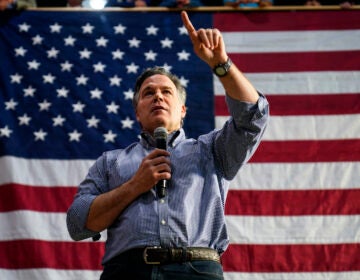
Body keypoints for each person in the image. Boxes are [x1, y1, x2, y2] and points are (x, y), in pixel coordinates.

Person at [66, 10, 269, 280]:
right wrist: (135, 185)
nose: (157, 97)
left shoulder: (212, 150)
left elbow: (253, 117)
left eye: (166, 92)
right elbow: (78, 223)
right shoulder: (110, 162)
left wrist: (221, 63)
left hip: (197, 271)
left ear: (182, 109)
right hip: (127, 272)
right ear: (137, 112)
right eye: (148, 93)